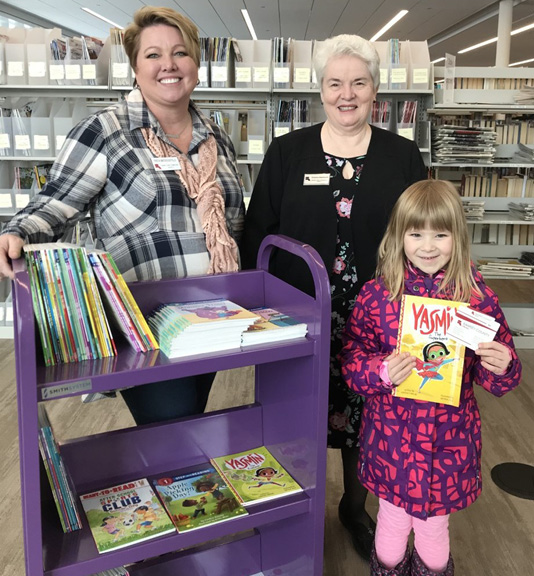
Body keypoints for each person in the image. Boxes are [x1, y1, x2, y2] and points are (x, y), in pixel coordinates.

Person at [0, 6, 245, 425]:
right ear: (134, 67)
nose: (168, 64)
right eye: (153, 55)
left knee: (186, 424)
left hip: (213, 317)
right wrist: (18, 230)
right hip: (146, 325)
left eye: (180, 53)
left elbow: (233, 221)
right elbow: (57, 201)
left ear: (196, 66)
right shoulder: (106, 129)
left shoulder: (216, 136)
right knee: (171, 429)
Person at [240, 34, 427, 559]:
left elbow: (425, 233)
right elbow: (260, 233)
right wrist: (264, 309)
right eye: (335, 83)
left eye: (359, 83)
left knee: (371, 417)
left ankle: (354, 506)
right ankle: (295, 506)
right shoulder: (288, 151)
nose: (347, 94)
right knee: (297, 408)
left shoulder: (402, 155)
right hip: (301, 312)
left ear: (376, 91)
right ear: (319, 90)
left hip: (378, 317)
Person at [338, 180, 522, 576]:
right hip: (391, 439)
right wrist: (381, 371)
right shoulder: (377, 296)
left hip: (449, 442)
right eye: (415, 233)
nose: (428, 245)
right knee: (390, 519)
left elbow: (498, 378)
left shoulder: (476, 299)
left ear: (458, 236)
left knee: (434, 526)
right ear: (398, 235)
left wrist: (502, 364)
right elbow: (352, 361)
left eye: (441, 234)